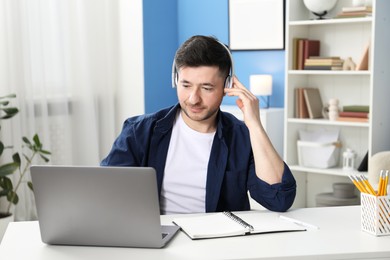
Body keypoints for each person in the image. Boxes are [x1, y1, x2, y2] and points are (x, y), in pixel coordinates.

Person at [101, 35, 296, 214]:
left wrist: (254, 125)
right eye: (186, 85)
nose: (194, 99)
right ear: (175, 79)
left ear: (227, 87)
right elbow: (104, 192)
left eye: (207, 88)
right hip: (157, 241)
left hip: (218, 244)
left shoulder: (241, 136)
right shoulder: (139, 132)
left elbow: (279, 199)